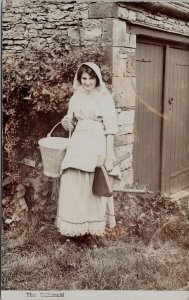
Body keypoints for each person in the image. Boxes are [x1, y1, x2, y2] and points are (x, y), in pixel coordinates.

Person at [55, 62, 120, 247]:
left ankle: (90, 232)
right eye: (84, 78)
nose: (88, 82)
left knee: (93, 184)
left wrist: (108, 156)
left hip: (96, 142)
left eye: (91, 78)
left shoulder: (103, 97)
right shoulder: (76, 97)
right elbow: (71, 124)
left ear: (97, 78)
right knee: (73, 181)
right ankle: (73, 230)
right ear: (79, 78)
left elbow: (110, 128)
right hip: (78, 143)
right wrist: (67, 123)